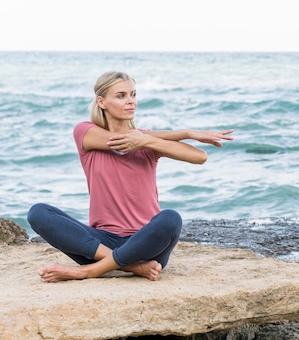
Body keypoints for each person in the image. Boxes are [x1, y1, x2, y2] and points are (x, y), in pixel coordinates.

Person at [27, 71, 234, 283]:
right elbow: (119, 140)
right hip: (101, 244)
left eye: (133, 95)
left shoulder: (147, 143)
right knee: (39, 212)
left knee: (171, 218)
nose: (130, 101)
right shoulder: (86, 132)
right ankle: (132, 266)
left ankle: (88, 271)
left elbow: (199, 157)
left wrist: (151, 140)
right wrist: (184, 133)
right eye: (121, 96)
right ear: (102, 102)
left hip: (146, 244)